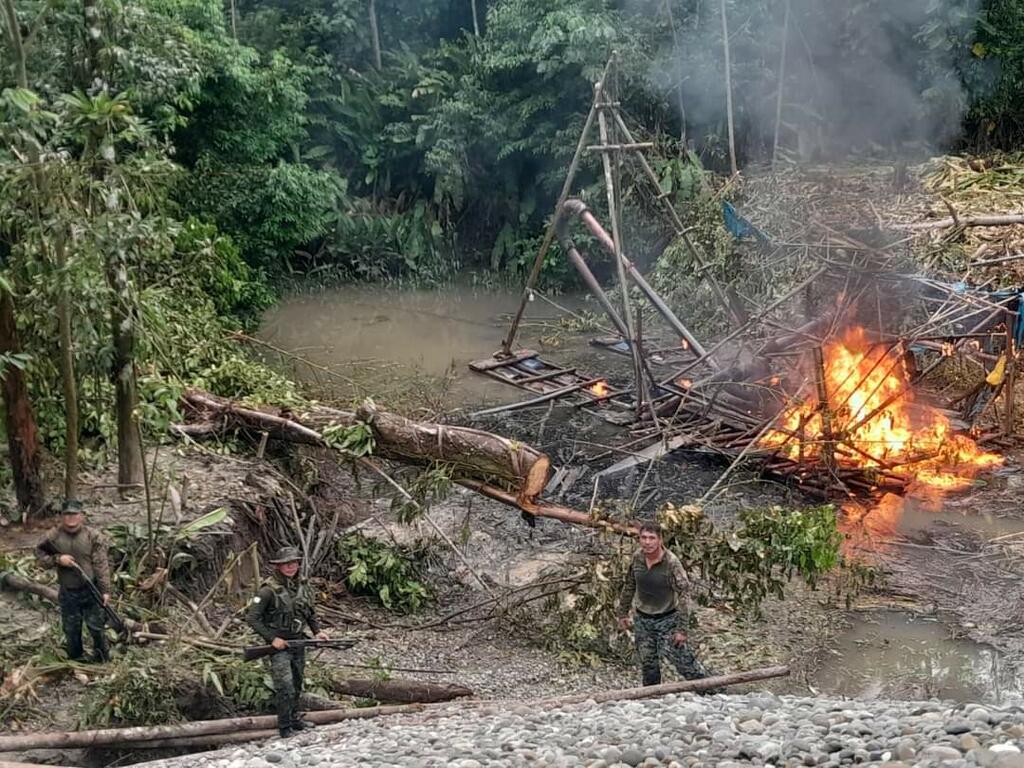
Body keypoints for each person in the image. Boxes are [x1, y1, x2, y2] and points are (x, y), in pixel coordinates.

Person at [615, 520, 714, 688]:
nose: (647, 542)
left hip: (667, 619)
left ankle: (712, 690)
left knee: (683, 662)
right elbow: (630, 584)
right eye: (643, 538)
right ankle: (652, 698)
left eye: (652, 538)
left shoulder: (671, 563)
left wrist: (682, 629)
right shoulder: (637, 558)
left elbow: (684, 595)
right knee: (648, 664)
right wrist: (622, 613)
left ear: (660, 540)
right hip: (643, 619)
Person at [246, 546, 328, 738]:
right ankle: (284, 727)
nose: (291, 567)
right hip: (279, 645)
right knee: (285, 685)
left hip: (298, 642)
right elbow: (252, 618)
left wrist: (318, 632)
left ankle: (294, 719)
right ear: (279, 566)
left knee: (297, 682)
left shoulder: (303, 586)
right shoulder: (268, 590)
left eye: (294, 563)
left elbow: (309, 612)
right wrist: (272, 639)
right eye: (286, 564)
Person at [35, 500, 112, 662]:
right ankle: (76, 660)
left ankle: (102, 658)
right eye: (67, 514)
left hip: (91, 590)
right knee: (71, 629)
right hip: (68, 592)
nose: (71, 518)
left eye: (74, 514)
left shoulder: (93, 536)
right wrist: (57, 559)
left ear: (81, 515)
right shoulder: (53, 536)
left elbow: (101, 564)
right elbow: (39, 557)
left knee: (96, 627)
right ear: (62, 516)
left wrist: (105, 590)